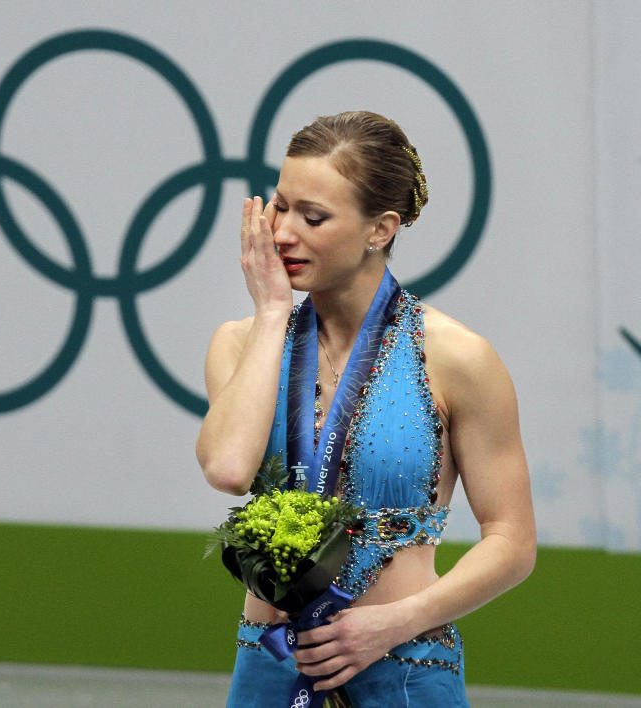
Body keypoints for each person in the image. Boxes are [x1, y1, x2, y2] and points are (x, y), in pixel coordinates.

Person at [196, 111, 536, 707]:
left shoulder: (458, 358)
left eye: (314, 216)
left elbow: (512, 541)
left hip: (405, 662)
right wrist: (274, 313)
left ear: (380, 229)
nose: (282, 234)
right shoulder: (241, 342)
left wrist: (396, 622)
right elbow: (227, 470)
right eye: (280, 206)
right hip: (273, 661)